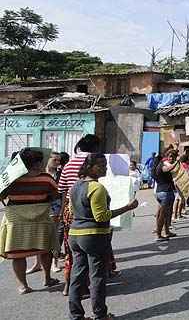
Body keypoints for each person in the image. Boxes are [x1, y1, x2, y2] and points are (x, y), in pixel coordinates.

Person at [68, 153, 138, 320]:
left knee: (77, 275)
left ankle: (75, 315)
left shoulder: (75, 186)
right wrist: (127, 207)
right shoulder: (96, 187)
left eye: (105, 165)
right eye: (101, 165)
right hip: (94, 236)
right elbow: (101, 216)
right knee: (97, 276)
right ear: (90, 167)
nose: (105, 168)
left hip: (75, 235)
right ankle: (100, 315)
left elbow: (71, 211)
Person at [0, 148, 61, 294]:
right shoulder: (46, 179)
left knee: (18, 254)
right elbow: (54, 196)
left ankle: (23, 286)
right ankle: (47, 278)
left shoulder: (10, 179)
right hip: (40, 219)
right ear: (36, 163)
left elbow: (1, 196)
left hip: (16, 220)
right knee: (45, 250)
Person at [58, 134, 101, 296]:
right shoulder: (95, 162)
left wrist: (62, 211)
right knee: (92, 250)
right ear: (96, 147)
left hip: (70, 210)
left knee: (71, 250)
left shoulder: (68, 164)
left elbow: (61, 189)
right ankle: (88, 286)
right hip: (90, 210)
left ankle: (69, 285)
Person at [152, 149, 178, 242]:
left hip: (162, 192)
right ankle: (158, 235)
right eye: (170, 156)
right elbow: (168, 169)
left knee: (167, 214)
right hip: (165, 193)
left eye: (173, 157)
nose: (172, 158)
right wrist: (177, 162)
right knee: (163, 215)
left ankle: (167, 232)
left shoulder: (160, 165)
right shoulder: (162, 166)